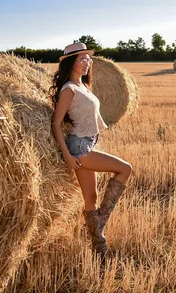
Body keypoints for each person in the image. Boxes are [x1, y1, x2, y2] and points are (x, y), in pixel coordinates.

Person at [50, 42, 132, 258]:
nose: (88, 63)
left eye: (88, 58)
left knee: (91, 199)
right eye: (82, 59)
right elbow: (56, 124)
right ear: (71, 63)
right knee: (125, 169)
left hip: (87, 144)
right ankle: (100, 224)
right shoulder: (69, 89)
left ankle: (99, 247)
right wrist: (67, 156)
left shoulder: (83, 87)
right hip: (78, 147)